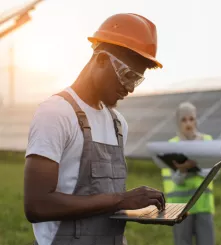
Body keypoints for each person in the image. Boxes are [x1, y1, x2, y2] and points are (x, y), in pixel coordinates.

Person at [23, 13, 166, 245]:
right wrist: (121, 199)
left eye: (137, 80)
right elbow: (37, 205)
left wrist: (141, 209)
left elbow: (104, 202)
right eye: (127, 75)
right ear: (100, 60)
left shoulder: (118, 124)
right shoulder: (56, 113)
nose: (129, 88)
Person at [160, 102, 217, 245]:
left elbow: (216, 173)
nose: (188, 123)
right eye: (184, 120)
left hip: (204, 206)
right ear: (178, 122)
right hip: (180, 208)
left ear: (196, 120)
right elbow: (174, 180)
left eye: (191, 119)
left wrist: (197, 167)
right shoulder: (171, 146)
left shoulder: (207, 141)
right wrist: (183, 169)